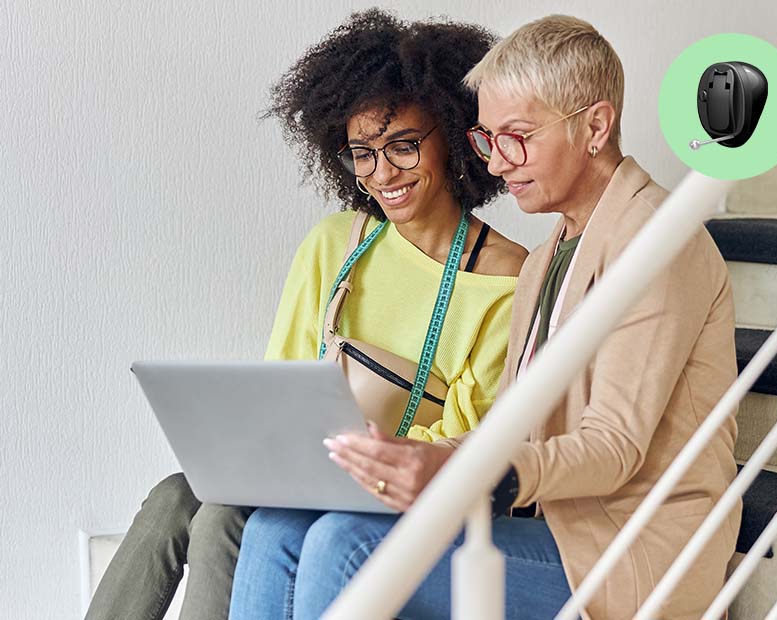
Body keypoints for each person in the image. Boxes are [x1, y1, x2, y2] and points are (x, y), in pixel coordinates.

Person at [232, 14, 740, 620]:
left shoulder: (658, 240)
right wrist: (411, 459)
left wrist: (461, 472)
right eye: (487, 139)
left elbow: (613, 448)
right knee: (276, 529)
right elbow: (517, 426)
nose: (497, 164)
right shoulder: (549, 256)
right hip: (546, 524)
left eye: (517, 136)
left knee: (348, 543)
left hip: (624, 553)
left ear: (596, 126)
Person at [85, 9, 525, 620]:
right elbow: (281, 377)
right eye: (361, 154)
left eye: (403, 146)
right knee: (170, 498)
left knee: (217, 517)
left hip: (393, 486)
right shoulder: (337, 243)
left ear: (452, 132)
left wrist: (348, 458)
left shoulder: (503, 278)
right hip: (299, 463)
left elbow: (473, 439)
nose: (381, 173)